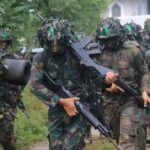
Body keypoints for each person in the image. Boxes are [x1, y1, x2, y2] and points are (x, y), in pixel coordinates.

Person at [30, 18, 118, 150]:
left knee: (72, 147)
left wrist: (106, 80)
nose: (54, 45)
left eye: (57, 41)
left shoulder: (77, 55)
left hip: (78, 107)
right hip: (57, 109)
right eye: (51, 42)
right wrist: (61, 101)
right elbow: (35, 85)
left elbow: (94, 75)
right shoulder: (41, 57)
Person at [96, 17, 150, 150]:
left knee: (127, 141)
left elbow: (144, 73)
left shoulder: (133, 50)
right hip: (109, 102)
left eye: (111, 39)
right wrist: (107, 85)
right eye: (105, 40)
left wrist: (144, 91)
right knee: (118, 136)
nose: (108, 43)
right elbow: (91, 78)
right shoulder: (97, 54)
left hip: (130, 99)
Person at [0, 30, 17, 150]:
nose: (2, 45)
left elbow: (21, 80)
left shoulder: (12, 59)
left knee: (7, 136)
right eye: (0, 42)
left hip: (6, 102)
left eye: (4, 42)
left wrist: (15, 94)